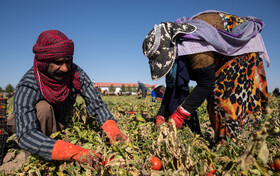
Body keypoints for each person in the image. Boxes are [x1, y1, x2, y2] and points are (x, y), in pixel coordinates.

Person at [142, 10, 269, 143]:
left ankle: (229, 147)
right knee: (213, 100)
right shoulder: (177, 50)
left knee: (222, 98)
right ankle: (222, 142)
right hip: (221, 50)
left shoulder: (195, 49)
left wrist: (180, 115)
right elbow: (172, 85)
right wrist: (161, 115)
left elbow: (206, 83)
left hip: (241, 46)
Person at [8, 30, 127, 164]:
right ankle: (38, 160)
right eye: (58, 62)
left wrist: (113, 130)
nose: (65, 68)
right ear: (44, 63)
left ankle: (58, 146)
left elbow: (96, 102)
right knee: (43, 108)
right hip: (31, 127)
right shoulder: (29, 85)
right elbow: (27, 134)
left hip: (59, 122)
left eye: (68, 61)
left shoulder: (74, 73)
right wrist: (75, 152)